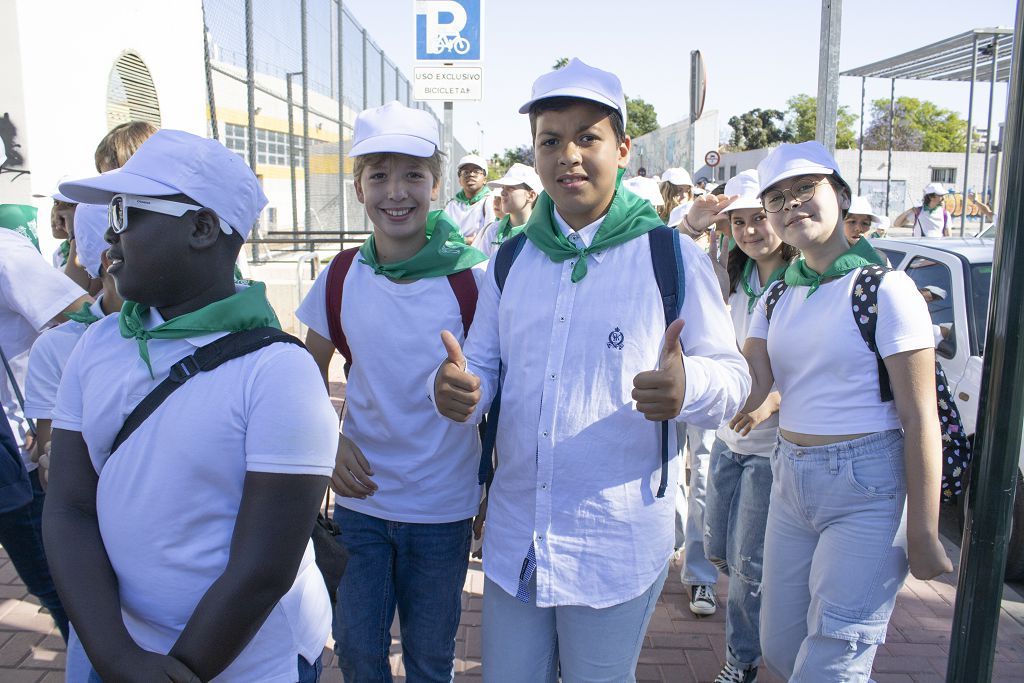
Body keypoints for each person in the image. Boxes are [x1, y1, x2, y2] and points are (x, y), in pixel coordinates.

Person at [431, 58, 750, 681]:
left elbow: (732, 377)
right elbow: (486, 362)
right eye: (551, 140)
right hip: (518, 530)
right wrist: (464, 388)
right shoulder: (512, 258)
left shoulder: (669, 254)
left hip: (616, 540)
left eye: (588, 137)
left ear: (623, 149)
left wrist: (688, 390)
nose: (568, 154)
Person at [46, 129, 339, 682]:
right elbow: (69, 508)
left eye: (126, 213)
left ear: (202, 228)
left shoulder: (277, 371)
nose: (109, 236)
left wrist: (176, 671)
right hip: (118, 651)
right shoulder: (98, 345)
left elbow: (263, 567)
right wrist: (115, 657)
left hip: (247, 661)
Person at [730, 141, 952, 681]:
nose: (792, 204)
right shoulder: (779, 292)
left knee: (836, 650)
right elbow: (758, 384)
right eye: (777, 197)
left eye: (807, 189)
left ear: (841, 197)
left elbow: (922, 418)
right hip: (790, 477)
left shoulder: (885, 288)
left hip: (867, 484)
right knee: (780, 645)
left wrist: (924, 531)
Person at [296, 100, 488, 682]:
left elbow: (497, 383)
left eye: (412, 175)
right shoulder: (340, 275)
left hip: (442, 506)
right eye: (378, 175)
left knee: (431, 660)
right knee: (357, 652)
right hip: (361, 503)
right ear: (358, 187)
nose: (396, 192)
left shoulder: (472, 279)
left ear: (436, 184)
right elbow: (305, 372)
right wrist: (326, 440)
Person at [699, 169, 797, 683]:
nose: (750, 231)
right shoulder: (733, 279)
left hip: (770, 449)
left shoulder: (801, 281)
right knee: (720, 550)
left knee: (747, 565)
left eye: (758, 218)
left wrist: (767, 407)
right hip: (726, 439)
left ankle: (741, 661)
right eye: (737, 222)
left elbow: (805, 370)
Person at [0, 201, 88, 643]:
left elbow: (83, 312)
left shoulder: (4, 252)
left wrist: (52, 415)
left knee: (57, 585)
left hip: (22, 455)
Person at [476, 162, 541, 259]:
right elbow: (481, 269)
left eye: (510, 188)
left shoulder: (543, 234)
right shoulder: (492, 230)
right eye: (503, 188)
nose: (502, 193)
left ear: (531, 195)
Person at [443, 153, 495, 244]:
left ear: (485, 179)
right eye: (465, 172)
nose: (470, 175)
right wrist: (467, 240)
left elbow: (489, 236)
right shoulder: (452, 204)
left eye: (476, 171)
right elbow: (443, 235)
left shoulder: (490, 201)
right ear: (459, 180)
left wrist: (457, 240)